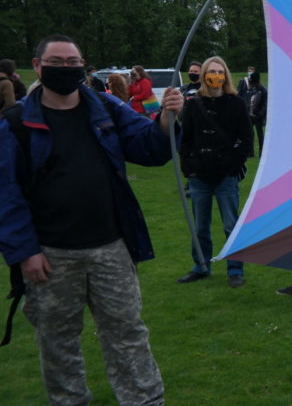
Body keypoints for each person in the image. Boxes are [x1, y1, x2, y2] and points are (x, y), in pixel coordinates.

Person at [0, 34, 183, 406]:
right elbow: (6, 194)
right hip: (50, 255)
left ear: (83, 66)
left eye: (73, 62)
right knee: (57, 340)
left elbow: (146, 146)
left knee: (127, 333)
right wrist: (24, 252)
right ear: (37, 66)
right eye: (57, 62)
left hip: (110, 246)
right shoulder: (16, 122)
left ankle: (144, 400)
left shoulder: (106, 108)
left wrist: (165, 120)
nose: (66, 68)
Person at [176, 56, 252, 288]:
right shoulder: (193, 103)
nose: (216, 76)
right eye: (212, 71)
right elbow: (185, 140)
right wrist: (190, 168)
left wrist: (232, 165)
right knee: (200, 226)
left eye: (220, 71)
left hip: (226, 175)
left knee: (231, 224)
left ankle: (235, 268)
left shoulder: (236, 103)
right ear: (204, 75)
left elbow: (247, 140)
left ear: (226, 75)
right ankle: (201, 266)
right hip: (200, 176)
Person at [247, 71, 268, 157]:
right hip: (250, 115)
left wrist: (259, 114)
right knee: (250, 134)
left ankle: (261, 152)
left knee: (260, 135)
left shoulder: (263, 90)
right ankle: (251, 152)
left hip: (258, 116)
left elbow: (264, 105)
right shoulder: (252, 89)